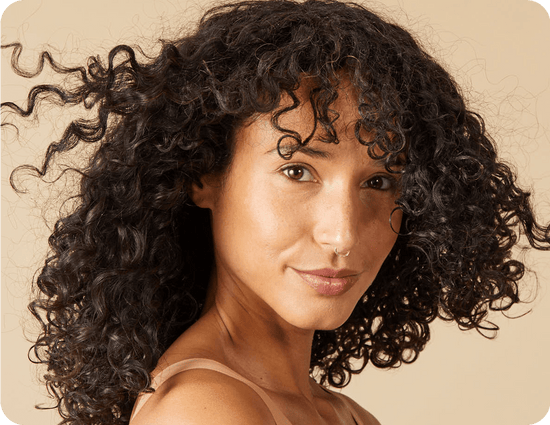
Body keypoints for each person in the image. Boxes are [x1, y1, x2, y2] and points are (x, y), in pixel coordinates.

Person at [1, 0, 549, 424]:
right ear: (203, 175)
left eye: (379, 182)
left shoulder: (342, 414)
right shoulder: (204, 410)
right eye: (297, 170)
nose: (342, 234)